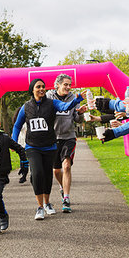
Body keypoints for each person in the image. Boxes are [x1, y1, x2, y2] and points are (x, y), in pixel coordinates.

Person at [12, 79, 87, 220]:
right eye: (38, 87)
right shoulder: (26, 107)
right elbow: (17, 126)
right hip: (32, 146)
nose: (41, 89)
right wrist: (13, 142)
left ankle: (47, 203)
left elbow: (66, 106)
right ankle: (39, 207)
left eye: (43, 87)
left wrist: (77, 99)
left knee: (47, 176)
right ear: (32, 90)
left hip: (50, 146)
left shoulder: (52, 103)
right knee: (37, 174)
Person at [46, 74, 84, 213]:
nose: (68, 87)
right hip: (53, 138)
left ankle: (66, 198)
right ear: (58, 85)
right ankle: (62, 187)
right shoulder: (49, 98)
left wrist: (80, 113)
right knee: (56, 170)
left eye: (70, 85)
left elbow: (78, 120)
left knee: (66, 165)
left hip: (69, 136)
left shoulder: (74, 98)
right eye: (65, 84)